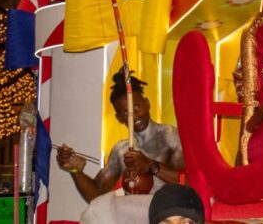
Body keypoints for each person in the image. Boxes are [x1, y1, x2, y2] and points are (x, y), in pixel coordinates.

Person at [56, 69, 184, 223]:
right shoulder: (121, 150)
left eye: (136, 107)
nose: (133, 115)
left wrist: (150, 165)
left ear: (147, 103)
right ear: (118, 118)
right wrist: (74, 170)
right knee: (95, 211)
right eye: (125, 112)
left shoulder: (169, 135)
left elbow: (187, 183)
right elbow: (96, 194)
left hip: (167, 211)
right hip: (133, 215)